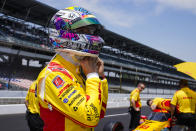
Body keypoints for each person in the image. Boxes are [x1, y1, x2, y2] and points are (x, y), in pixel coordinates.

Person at [35, 6, 108, 131]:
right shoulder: (54, 75)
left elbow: (99, 112)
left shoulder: (78, 70)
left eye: (91, 31)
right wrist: (92, 76)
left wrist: (100, 78)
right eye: (84, 31)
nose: (91, 36)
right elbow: (90, 118)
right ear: (63, 32)